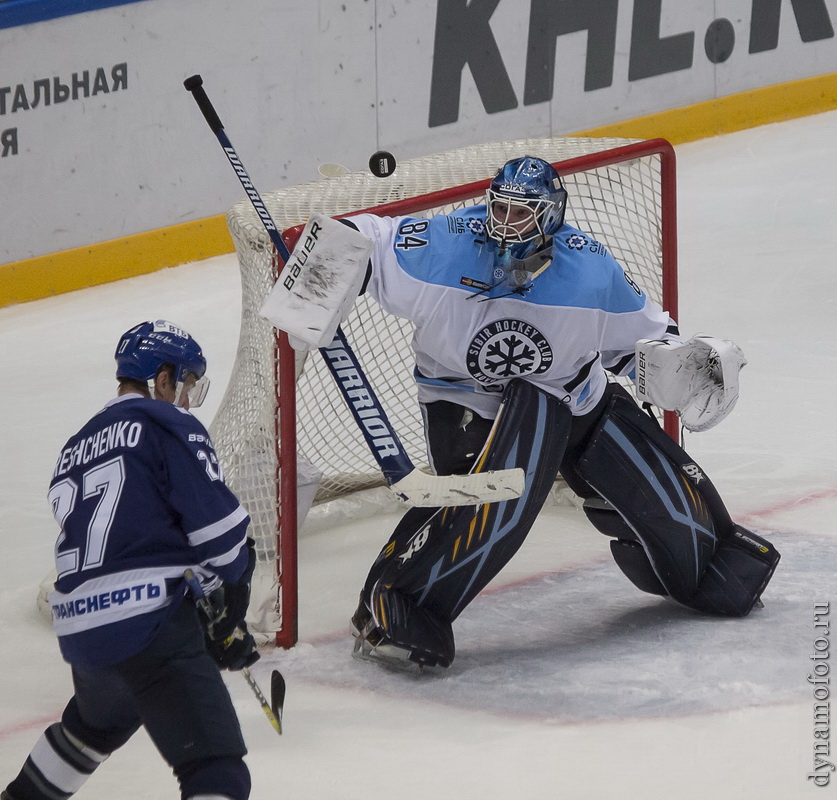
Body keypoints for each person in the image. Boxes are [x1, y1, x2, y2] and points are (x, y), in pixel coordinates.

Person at [274, 156, 781, 671]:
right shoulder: (444, 244)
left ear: (552, 215)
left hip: (575, 394)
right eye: (502, 208)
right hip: (468, 406)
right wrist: (326, 263)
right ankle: (396, 604)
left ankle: (701, 564)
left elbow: (641, 340)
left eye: (524, 213)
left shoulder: (588, 268)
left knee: (665, 498)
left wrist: (675, 366)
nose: (507, 223)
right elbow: (370, 239)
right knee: (491, 509)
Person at [3, 320, 258, 800]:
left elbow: (126, 539)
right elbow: (223, 543)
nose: (187, 399)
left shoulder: (74, 446)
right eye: (186, 385)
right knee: (218, 773)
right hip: (149, 622)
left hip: (80, 628)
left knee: (87, 732)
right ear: (162, 379)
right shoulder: (166, 423)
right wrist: (231, 615)